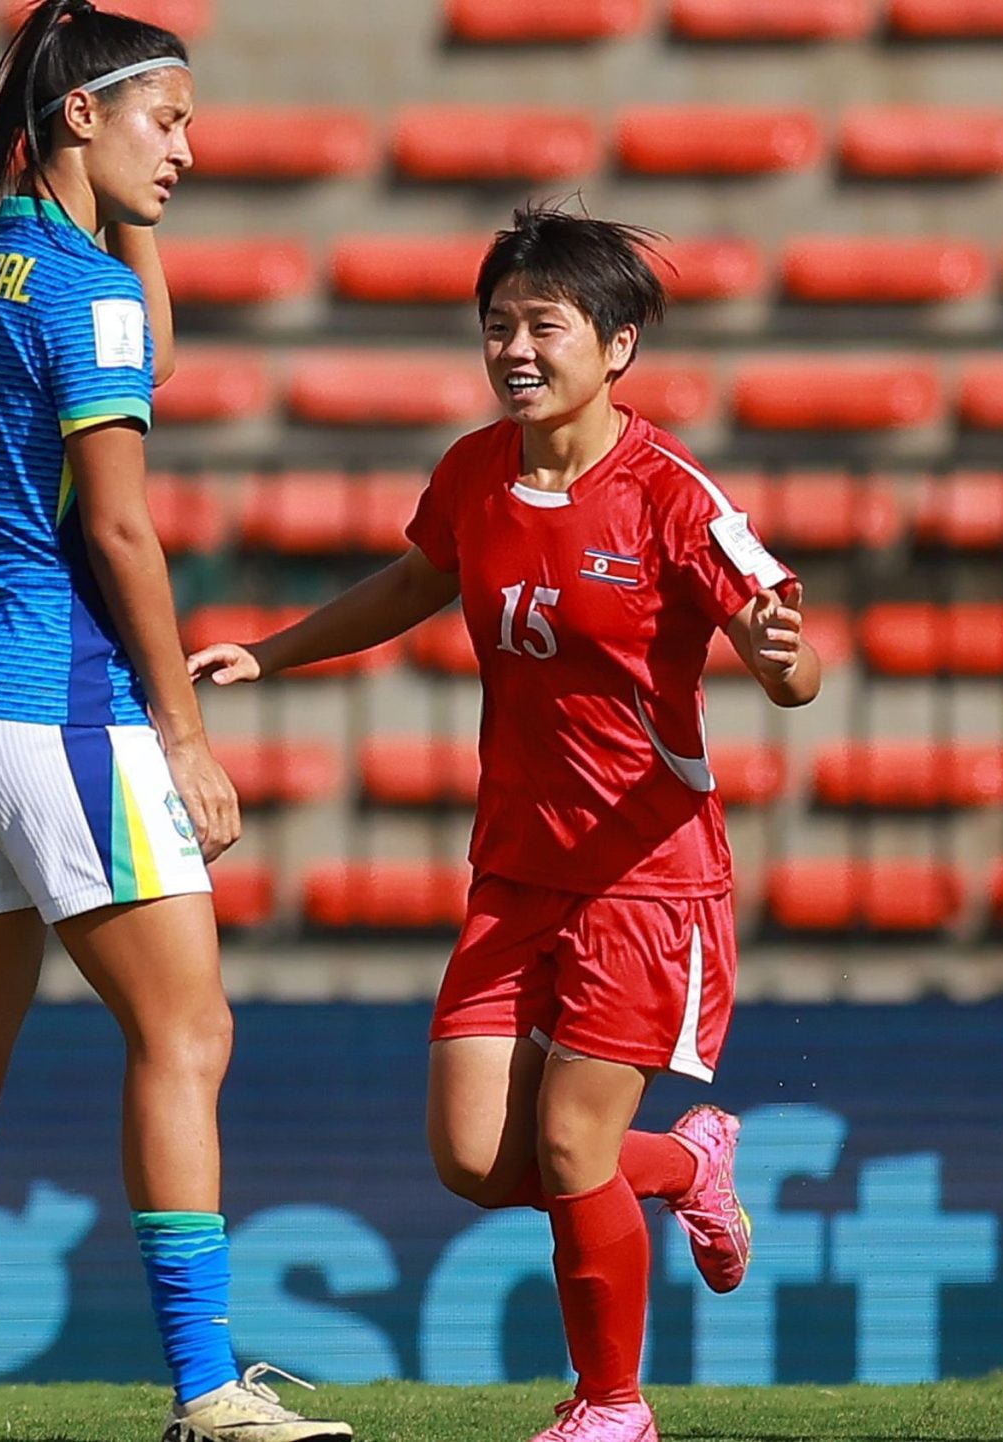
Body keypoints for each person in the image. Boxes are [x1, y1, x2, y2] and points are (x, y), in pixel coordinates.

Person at [190, 206, 821, 1442]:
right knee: (480, 1158)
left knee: (575, 1141)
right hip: (513, 874)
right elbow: (415, 580)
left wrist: (782, 661)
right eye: (498, 325)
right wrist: (273, 655)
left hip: (646, 881)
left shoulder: (673, 497)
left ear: (619, 342)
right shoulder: (475, 468)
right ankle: (689, 1165)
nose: (515, 348)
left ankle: (613, 1407)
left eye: (544, 324)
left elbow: (787, 661)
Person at [0, 5, 351, 1440]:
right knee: (186, 1027)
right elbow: (128, 529)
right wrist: (182, 733)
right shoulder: (77, 288)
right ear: (81, 115)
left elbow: (141, 336)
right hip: (49, 698)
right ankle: (206, 1384)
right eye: (171, 122)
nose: (190, 153)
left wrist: (127, 213)